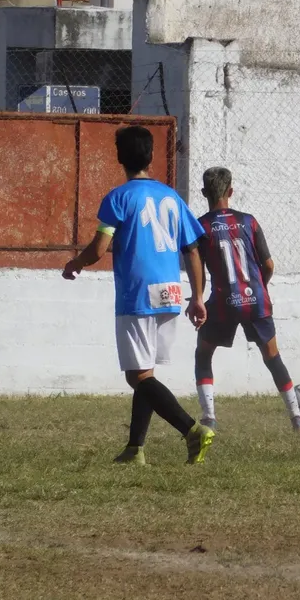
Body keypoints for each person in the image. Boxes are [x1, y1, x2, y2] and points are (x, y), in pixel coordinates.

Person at [62, 125, 214, 465]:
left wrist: (76, 263)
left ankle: (193, 430)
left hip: (138, 294)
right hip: (171, 292)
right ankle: (135, 448)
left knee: (138, 375)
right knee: (145, 372)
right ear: (150, 157)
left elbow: (100, 248)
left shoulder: (118, 197)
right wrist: (198, 296)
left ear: (120, 158)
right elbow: (192, 249)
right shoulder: (171, 196)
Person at [193, 167, 300, 432]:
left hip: (223, 303)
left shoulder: (200, 227)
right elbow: (268, 264)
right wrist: (259, 288)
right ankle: (296, 417)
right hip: (256, 299)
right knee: (272, 357)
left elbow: (198, 269)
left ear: (203, 193)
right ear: (231, 191)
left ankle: (209, 417)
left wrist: (198, 297)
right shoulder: (249, 221)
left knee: (203, 354)